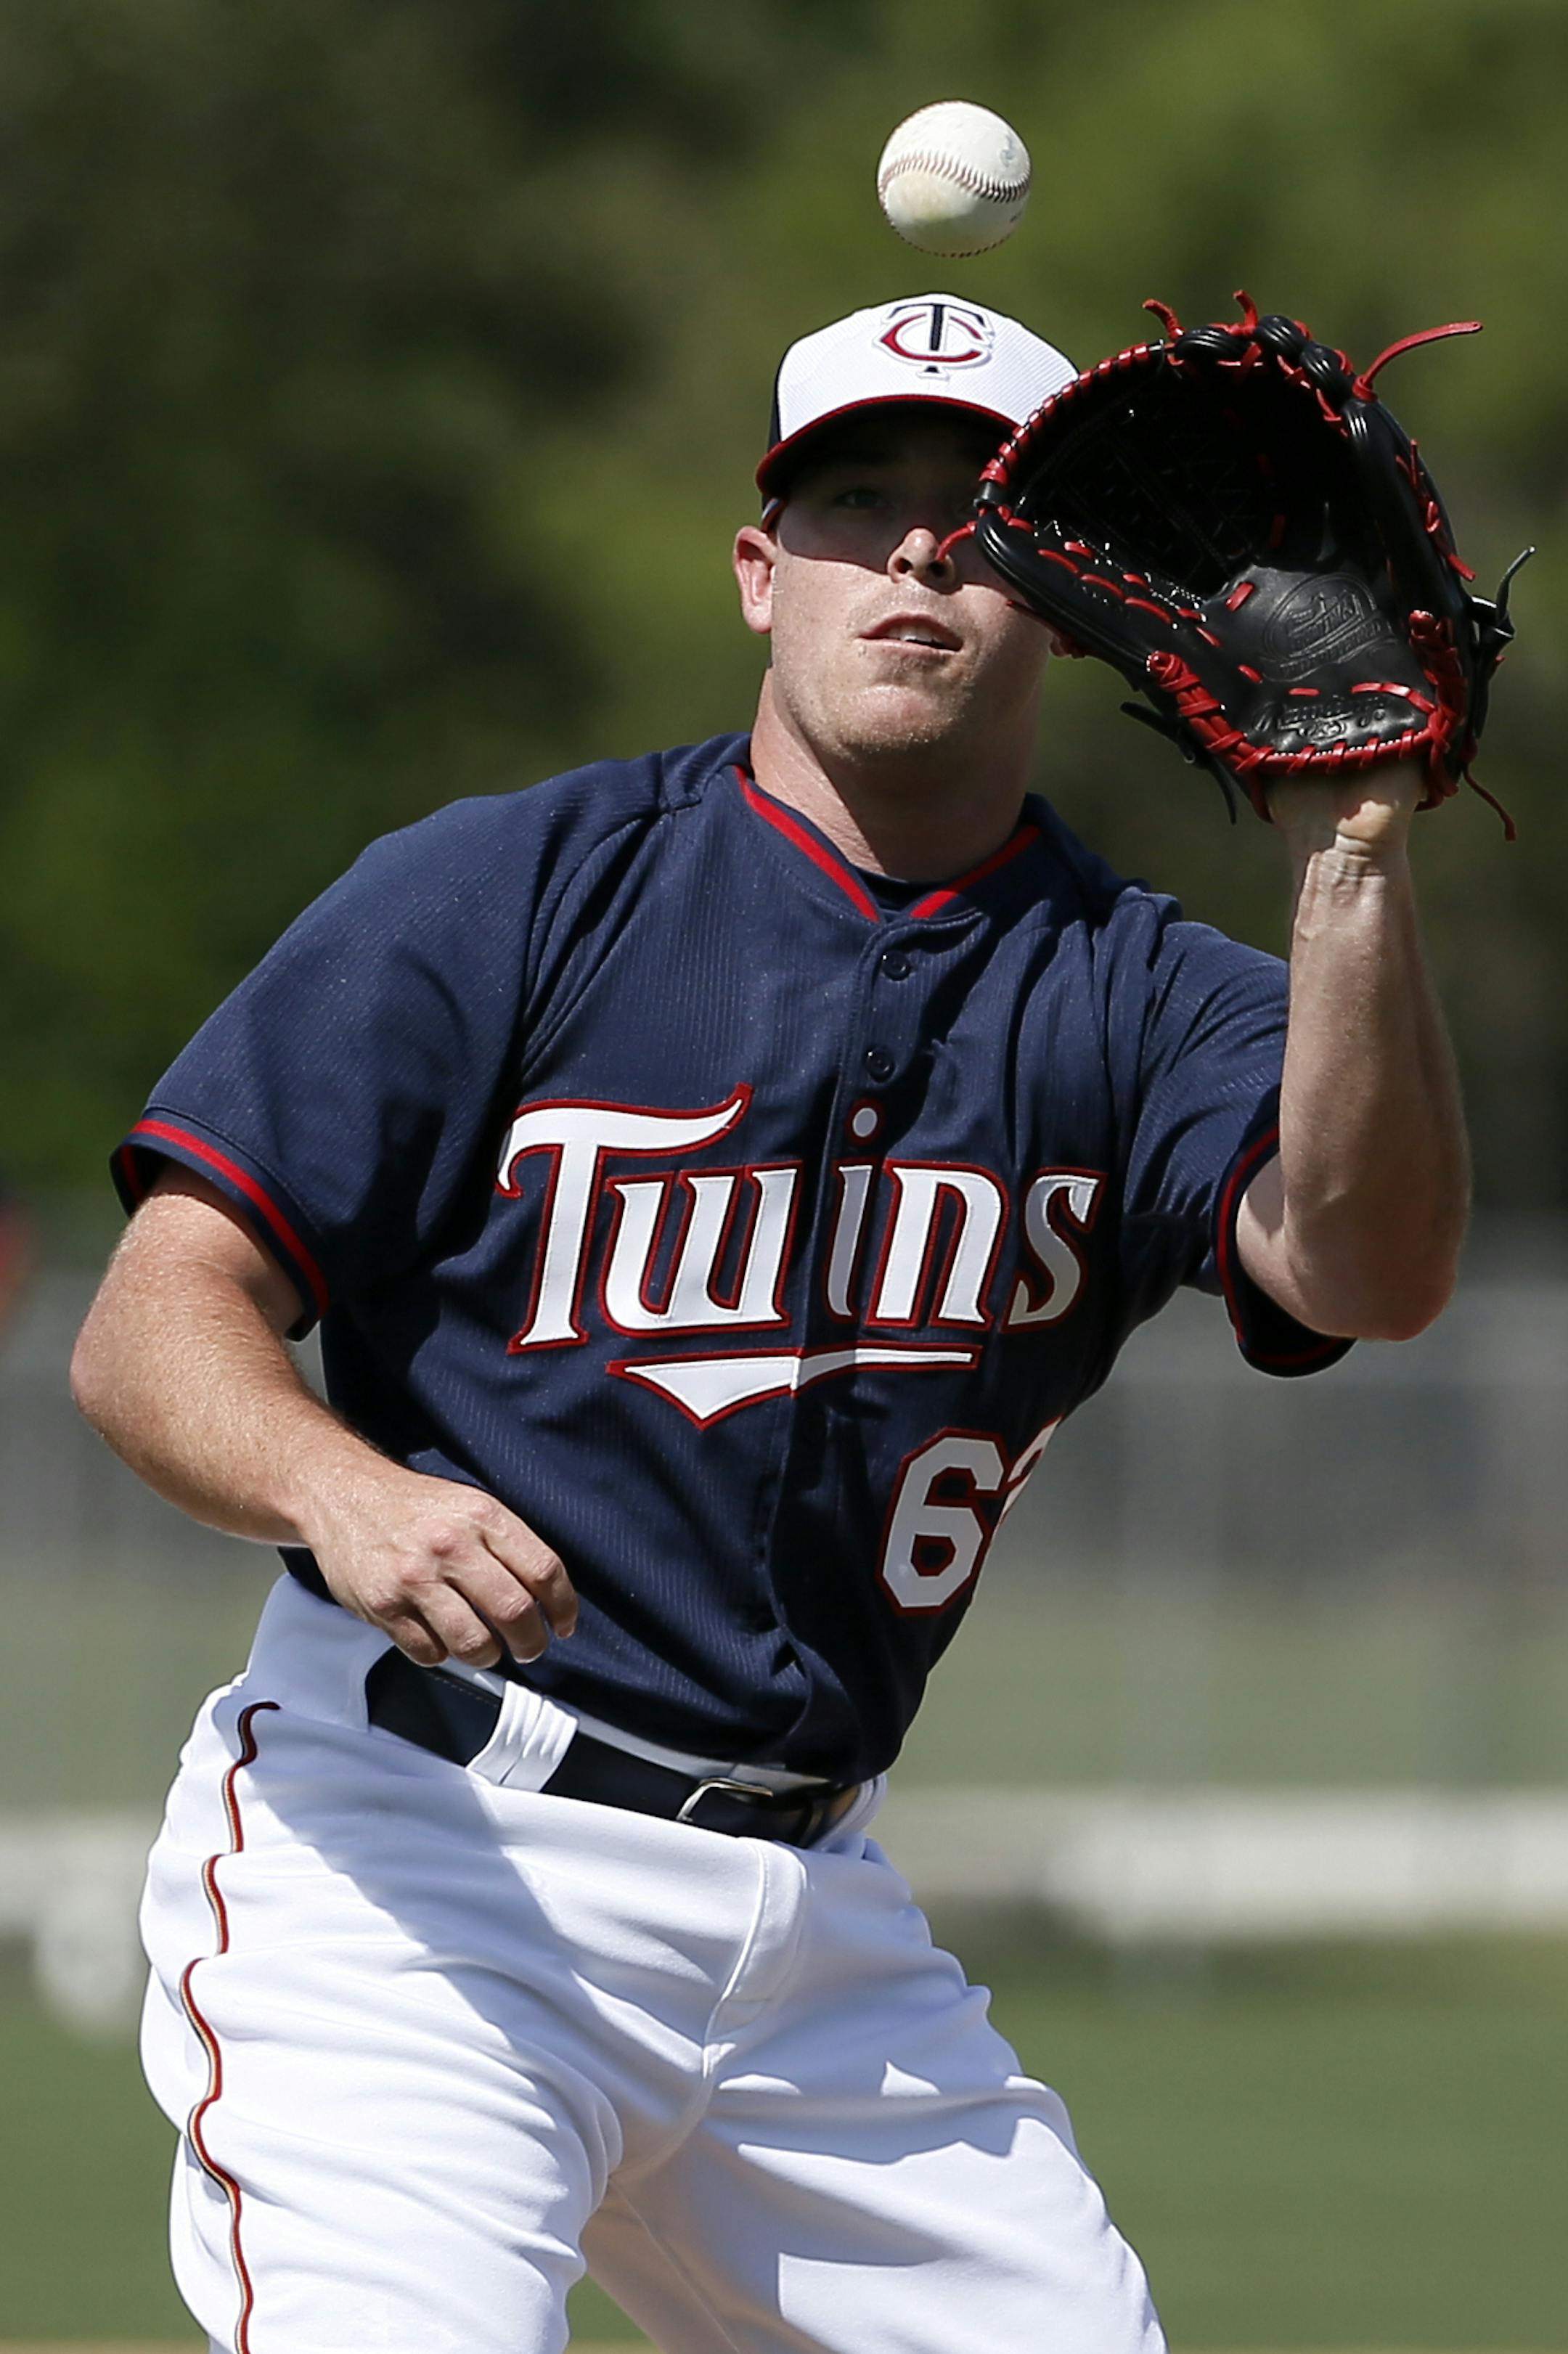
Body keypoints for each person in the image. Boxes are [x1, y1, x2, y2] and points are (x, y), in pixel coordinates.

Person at [72, 292, 1467, 2354]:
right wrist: (340, 1485)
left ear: (1066, 605)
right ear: (760, 573)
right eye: (853, 503)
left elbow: (1371, 1267)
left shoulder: (1134, 989)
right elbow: (153, 1318)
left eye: (977, 521)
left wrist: (1352, 859)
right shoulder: (513, 890)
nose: (912, 553)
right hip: (419, 1867)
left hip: (815, 1924)